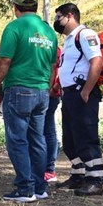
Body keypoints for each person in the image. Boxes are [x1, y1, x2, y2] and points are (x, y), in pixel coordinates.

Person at [0, 0, 57, 202]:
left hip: (19, 89)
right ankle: (39, 186)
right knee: (37, 138)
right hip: (42, 91)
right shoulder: (48, 31)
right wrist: (46, 84)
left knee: (17, 140)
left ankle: (25, 188)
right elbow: (54, 64)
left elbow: (4, 61)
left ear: (15, 8)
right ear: (35, 7)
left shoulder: (14, 28)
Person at [53, 2, 103, 196]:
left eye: (58, 17)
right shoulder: (69, 40)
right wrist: (59, 84)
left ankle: (96, 179)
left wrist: (86, 91)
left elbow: (96, 62)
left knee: (86, 136)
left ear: (69, 16)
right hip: (69, 94)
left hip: (82, 93)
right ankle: (78, 175)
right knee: (70, 139)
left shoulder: (86, 34)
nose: (56, 21)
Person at [44, 48, 62, 183]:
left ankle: (49, 170)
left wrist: (53, 88)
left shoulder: (52, 47)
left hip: (49, 94)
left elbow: (55, 68)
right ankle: (44, 168)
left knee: (48, 131)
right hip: (44, 92)